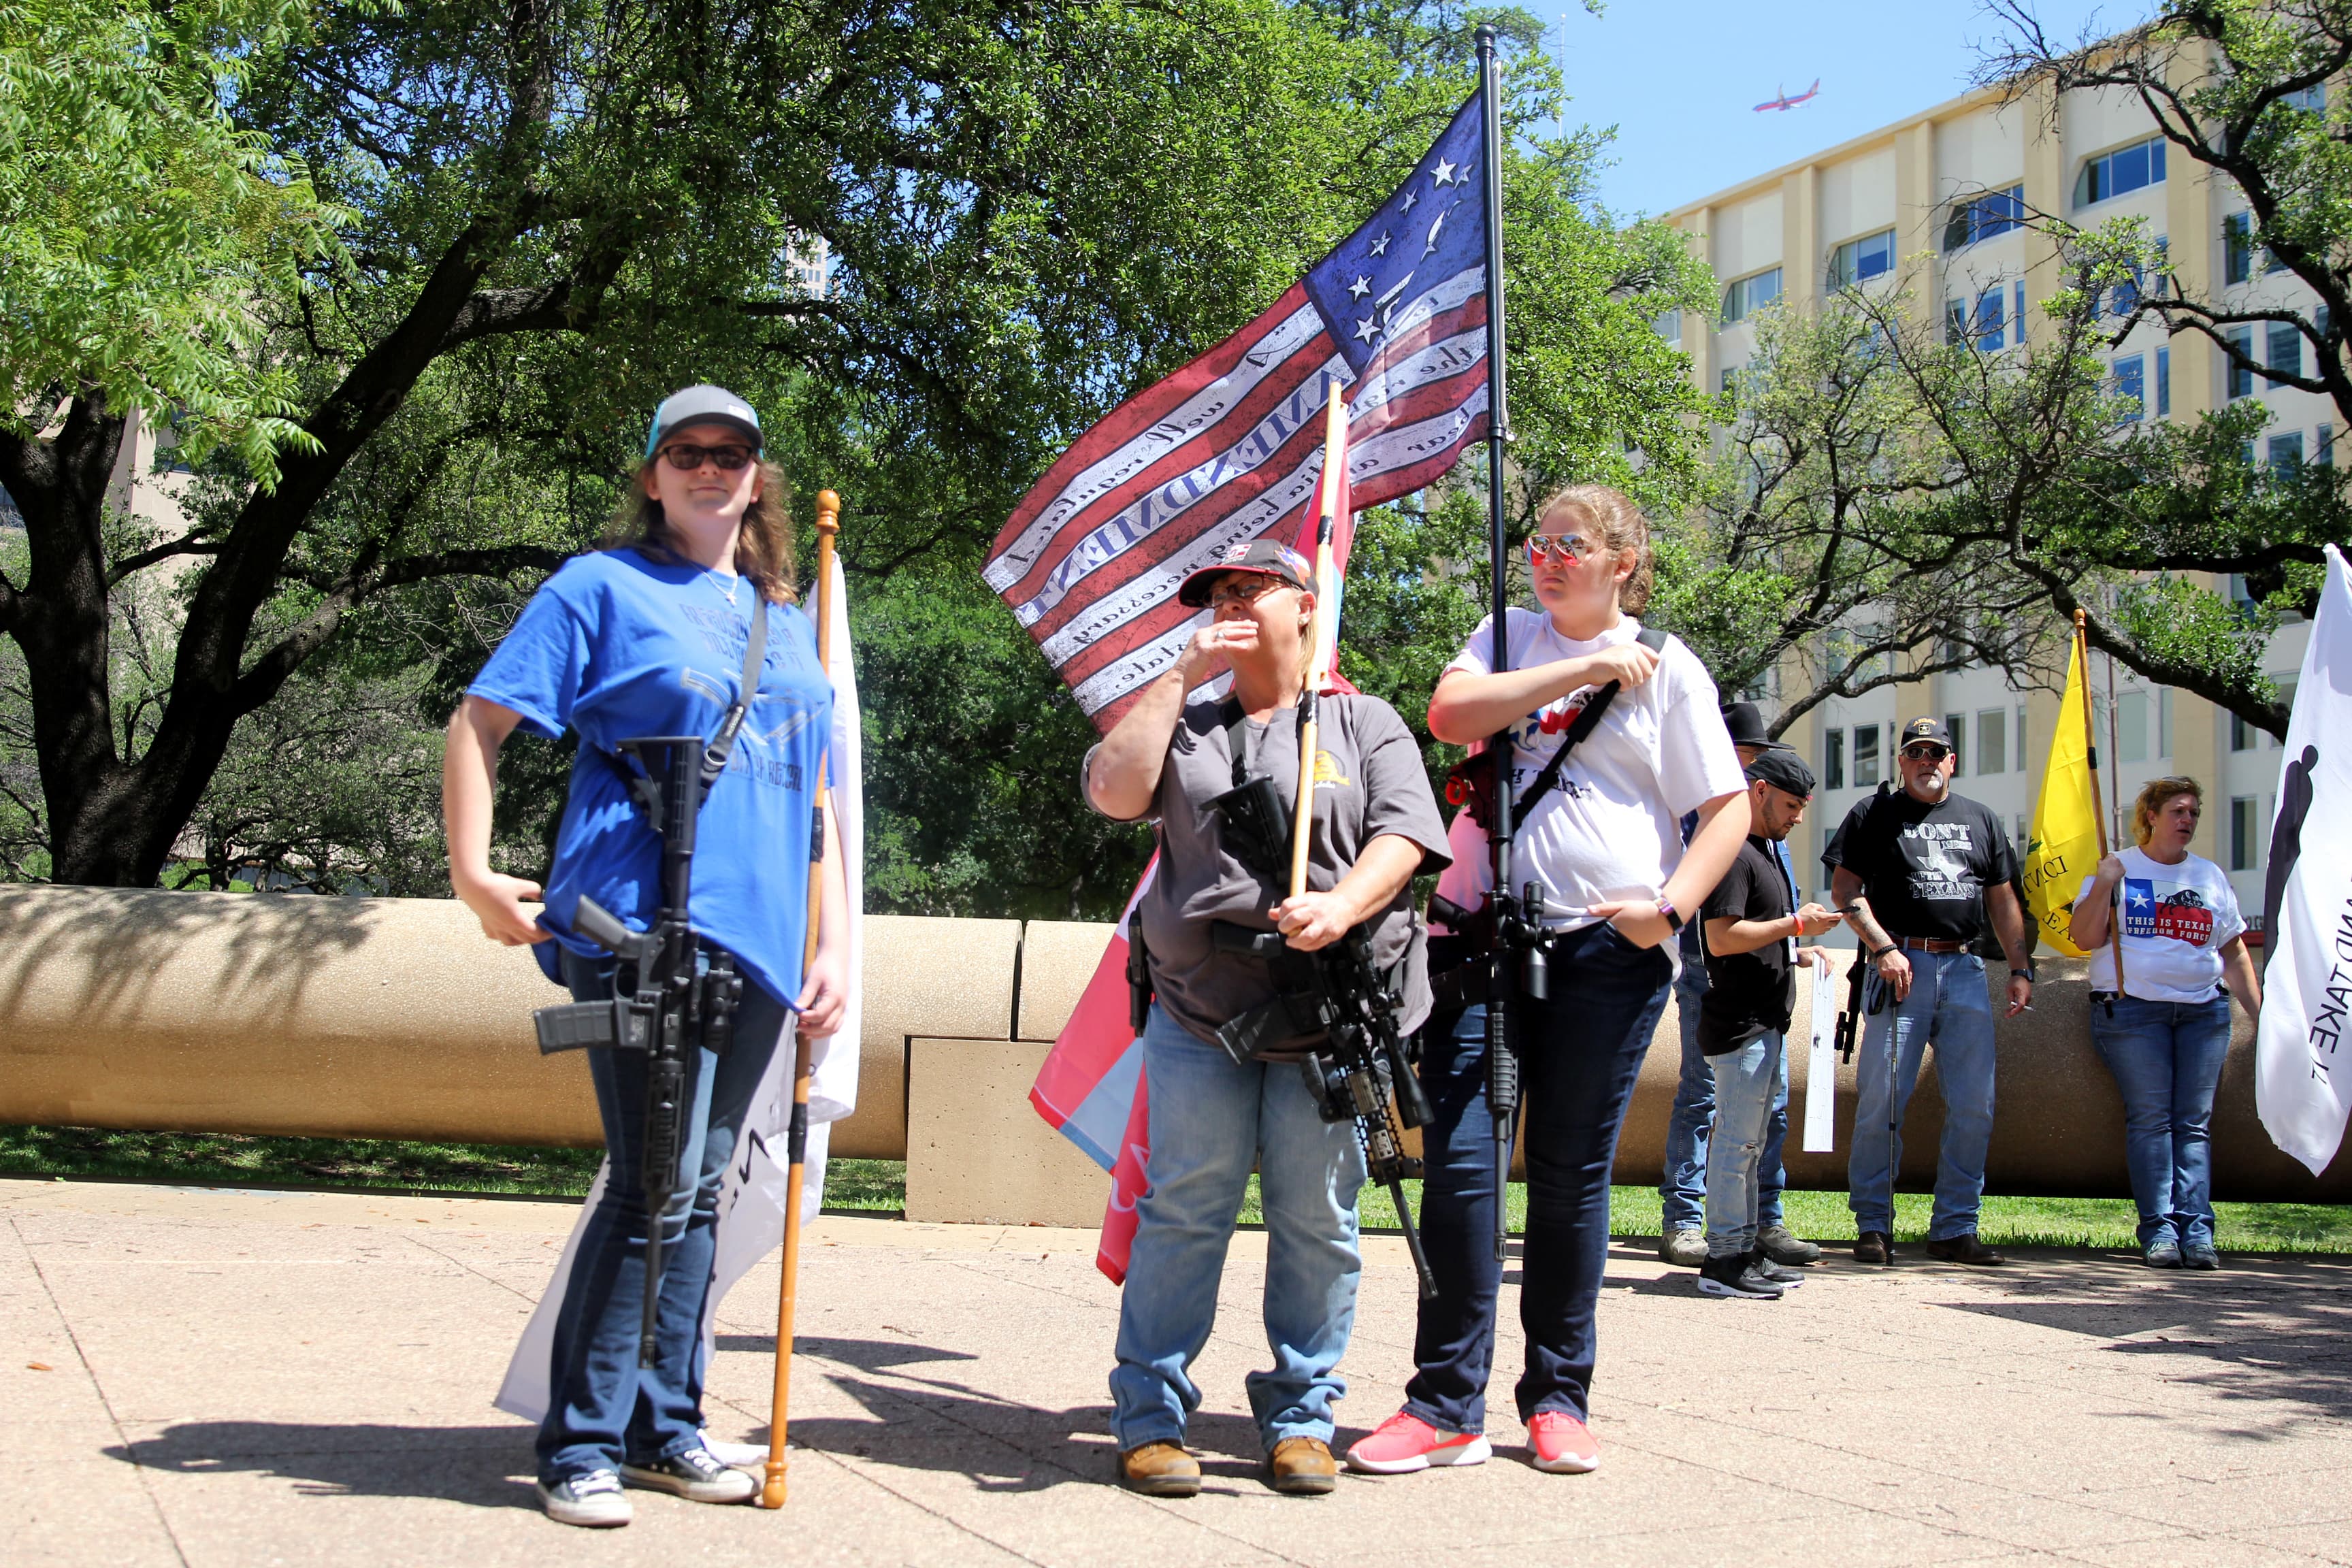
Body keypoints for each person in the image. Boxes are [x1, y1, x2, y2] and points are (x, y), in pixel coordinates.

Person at [442, 386, 849, 1528]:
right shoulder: (598, 587)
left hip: (765, 945)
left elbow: (818, 798)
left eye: (733, 453)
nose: (711, 468)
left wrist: (837, 945)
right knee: (653, 1183)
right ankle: (579, 1437)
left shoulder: (785, 610)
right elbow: (478, 723)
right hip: (641, 924)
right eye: (688, 452)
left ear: (756, 478)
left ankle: (666, 1423)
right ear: (655, 473)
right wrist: (474, 871)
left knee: (704, 1190)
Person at [1348, 483, 1747, 1480]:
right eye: (1539, 542)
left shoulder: (1669, 669)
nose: (1547, 558)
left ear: (1622, 560)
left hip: (1606, 952)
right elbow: (1448, 713)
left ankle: (1558, 1400)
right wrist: (1576, 665)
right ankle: (1443, 1403)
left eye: (1572, 545)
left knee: (1571, 1177)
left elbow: (1727, 808)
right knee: (1465, 1164)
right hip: (1484, 938)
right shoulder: (1506, 632)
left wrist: (1671, 908)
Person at [1083, 538, 1450, 1499]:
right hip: (1201, 1011)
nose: (1234, 602)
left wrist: (1341, 906)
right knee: (1185, 1209)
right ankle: (1150, 1418)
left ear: (1305, 608)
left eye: (1255, 588)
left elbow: (1407, 835)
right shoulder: (1188, 718)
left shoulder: (1364, 722)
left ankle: (1301, 1415)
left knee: (1317, 1220)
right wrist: (1178, 674)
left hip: (1323, 1013)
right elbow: (1113, 792)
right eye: (1218, 594)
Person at [1825, 717, 2033, 1268]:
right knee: (1881, 1102)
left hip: (1964, 968)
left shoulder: (1980, 820)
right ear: (1901, 762)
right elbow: (1845, 889)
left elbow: (2004, 901)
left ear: (1952, 762)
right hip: (1900, 967)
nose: (1926, 761)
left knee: (1974, 1105)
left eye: (1935, 753)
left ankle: (1954, 1229)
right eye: (1914, 752)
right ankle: (1873, 1224)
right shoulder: (1873, 814)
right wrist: (1881, 948)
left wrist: (2021, 967)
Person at [2068, 777, 2263, 1270]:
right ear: (2151, 816)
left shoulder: (2210, 876)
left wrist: (2263, 1016)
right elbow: (2085, 937)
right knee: (2152, 1121)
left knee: (2193, 1125)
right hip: (2133, 1013)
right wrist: (2106, 882)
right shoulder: (2118, 868)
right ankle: (2160, 1232)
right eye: (2178, 810)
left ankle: (2198, 1233)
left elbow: (2234, 950)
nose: (2188, 820)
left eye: (2194, 812)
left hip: (2203, 1013)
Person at [1658, 702, 1821, 1271]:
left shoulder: (1761, 822)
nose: (1754, 769)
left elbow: (1773, 895)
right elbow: (1707, 912)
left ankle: (1759, 1223)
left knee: (1768, 1105)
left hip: (1763, 974)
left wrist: (1790, 945)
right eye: (1749, 755)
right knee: (1706, 1096)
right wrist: (1791, 928)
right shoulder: (1697, 813)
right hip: (1710, 970)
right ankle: (1686, 1222)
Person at [1693, 751, 1840, 1298]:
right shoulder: (1734, 852)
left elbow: (1759, 933)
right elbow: (1722, 938)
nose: (1797, 817)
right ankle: (1723, 1260)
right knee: (1736, 1143)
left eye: (1803, 807)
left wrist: (1794, 948)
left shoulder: (1767, 851)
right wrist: (1796, 924)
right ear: (1758, 792)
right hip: (1740, 1025)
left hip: (1764, 1019)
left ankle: (1745, 1248)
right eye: (1790, 805)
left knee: (1752, 1144)